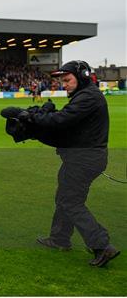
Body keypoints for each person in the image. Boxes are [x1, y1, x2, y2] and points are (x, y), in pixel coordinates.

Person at [24, 61, 120, 268]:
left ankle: (102, 245)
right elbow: (65, 127)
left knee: (70, 202)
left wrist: (34, 117)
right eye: (61, 81)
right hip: (82, 157)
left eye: (67, 80)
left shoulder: (88, 97)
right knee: (66, 197)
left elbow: (60, 121)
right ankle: (59, 238)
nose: (63, 85)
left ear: (82, 77)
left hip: (84, 159)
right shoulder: (85, 96)